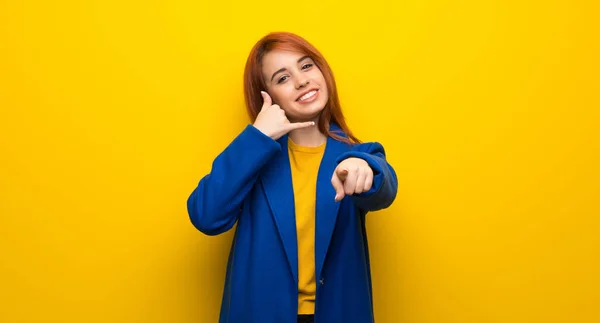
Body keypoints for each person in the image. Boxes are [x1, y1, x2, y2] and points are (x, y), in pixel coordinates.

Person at [187, 31, 398, 323]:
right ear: (268, 97)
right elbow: (206, 216)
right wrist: (257, 136)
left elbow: (384, 186)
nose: (301, 81)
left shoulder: (358, 155)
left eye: (307, 65)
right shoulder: (254, 156)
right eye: (282, 78)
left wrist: (363, 167)